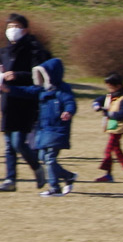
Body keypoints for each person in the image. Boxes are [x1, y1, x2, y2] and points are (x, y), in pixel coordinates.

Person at [0, 14, 49, 193]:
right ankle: (10, 179)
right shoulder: (3, 52)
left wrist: (17, 75)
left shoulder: (34, 50)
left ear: (25, 30)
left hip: (25, 102)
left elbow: (40, 74)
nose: (12, 30)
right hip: (7, 101)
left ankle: (37, 168)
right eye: (9, 26)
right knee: (9, 144)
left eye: (16, 26)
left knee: (19, 143)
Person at [13, 58, 77, 195]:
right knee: (44, 157)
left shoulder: (63, 91)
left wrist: (68, 112)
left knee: (50, 158)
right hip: (45, 130)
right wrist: (7, 89)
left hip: (58, 129)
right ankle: (68, 176)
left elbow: (70, 103)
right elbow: (26, 91)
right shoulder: (42, 91)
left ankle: (54, 187)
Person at [93, 74, 123, 182]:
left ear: (118, 86)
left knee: (108, 151)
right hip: (111, 127)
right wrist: (96, 104)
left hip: (118, 128)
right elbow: (99, 99)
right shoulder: (110, 96)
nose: (109, 90)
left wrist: (109, 114)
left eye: (111, 87)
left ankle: (108, 175)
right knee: (117, 151)